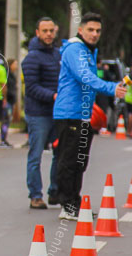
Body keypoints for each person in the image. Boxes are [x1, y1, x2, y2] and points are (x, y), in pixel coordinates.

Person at [52, 13, 126, 220]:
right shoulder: (75, 50)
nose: (94, 34)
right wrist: (112, 88)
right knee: (69, 160)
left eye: (98, 30)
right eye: (90, 30)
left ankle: (74, 202)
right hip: (69, 113)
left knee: (80, 161)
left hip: (83, 114)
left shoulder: (88, 50)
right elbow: (85, 77)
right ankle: (67, 205)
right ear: (80, 30)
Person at [22, 17, 61, 209]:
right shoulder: (32, 57)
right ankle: (35, 195)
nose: (48, 34)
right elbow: (32, 88)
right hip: (38, 114)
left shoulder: (58, 54)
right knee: (35, 155)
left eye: (51, 30)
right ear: (37, 32)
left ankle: (55, 192)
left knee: (59, 153)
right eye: (44, 30)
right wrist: (54, 96)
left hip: (58, 112)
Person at [0, 59, 18, 147]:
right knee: (5, 120)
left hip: (11, 100)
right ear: (10, 65)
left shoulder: (12, 75)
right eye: (15, 64)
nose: (16, 66)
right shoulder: (7, 74)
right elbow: (5, 87)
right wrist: (5, 99)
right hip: (7, 100)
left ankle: (4, 139)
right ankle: (3, 140)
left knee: (7, 120)